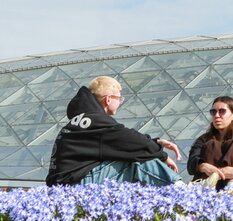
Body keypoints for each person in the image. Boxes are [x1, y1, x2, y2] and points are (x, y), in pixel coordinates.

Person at [46, 76, 182, 186]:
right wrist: (163, 156)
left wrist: (155, 142)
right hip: (73, 185)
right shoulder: (96, 121)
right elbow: (132, 141)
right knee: (138, 162)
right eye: (119, 98)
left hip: (62, 184)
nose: (121, 102)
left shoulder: (83, 120)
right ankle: (182, 191)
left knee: (135, 155)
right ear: (108, 99)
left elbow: (124, 142)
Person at [186, 96, 233, 190]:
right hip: (207, 187)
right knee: (212, 145)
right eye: (213, 112)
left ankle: (232, 186)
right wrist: (202, 166)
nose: (216, 115)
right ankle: (209, 188)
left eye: (222, 111)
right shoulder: (203, 140)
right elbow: (191, 162)